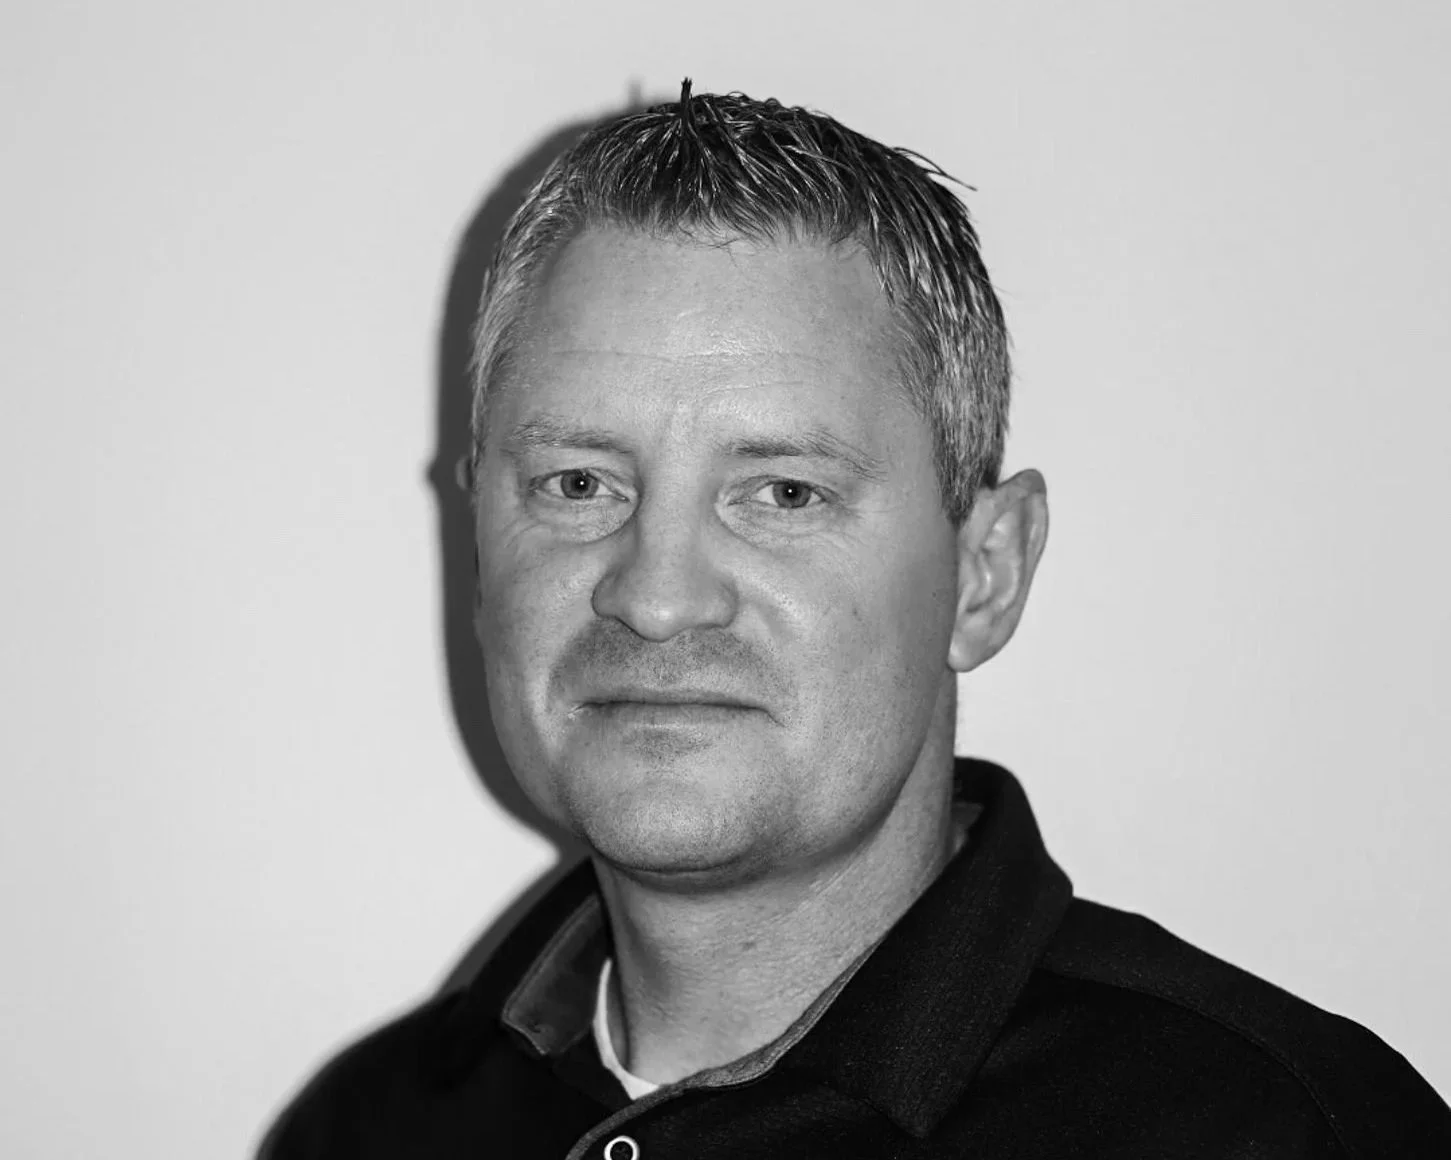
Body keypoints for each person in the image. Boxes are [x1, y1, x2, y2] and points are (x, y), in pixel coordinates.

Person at [264, 83, 1451, 1159]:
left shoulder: (1290, 1135)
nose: (656, 592)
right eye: (579, 484)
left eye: (782, 492)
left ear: (983, 571)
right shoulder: (366, 1128)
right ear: (478, 543)